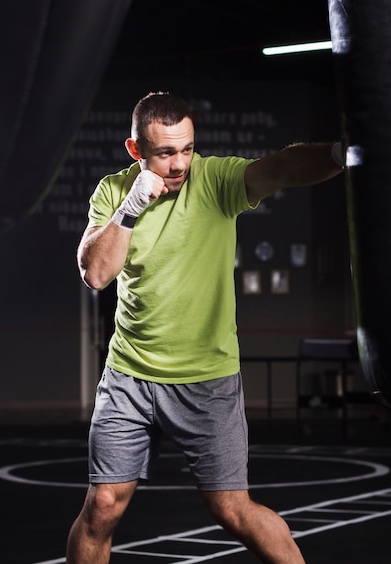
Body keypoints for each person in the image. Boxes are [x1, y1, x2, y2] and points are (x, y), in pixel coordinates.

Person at [67, 91, 344, 563]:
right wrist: (130, 209)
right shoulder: (113, 191)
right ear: (136, 151)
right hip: (130, 374)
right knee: (103, 507)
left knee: (232, 509)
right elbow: (95, 273)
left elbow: (284, 167)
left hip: (207, 377)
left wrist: (345, 152)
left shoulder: (215, 180)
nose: (179, 164)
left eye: (187, 148)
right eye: (165, 152)